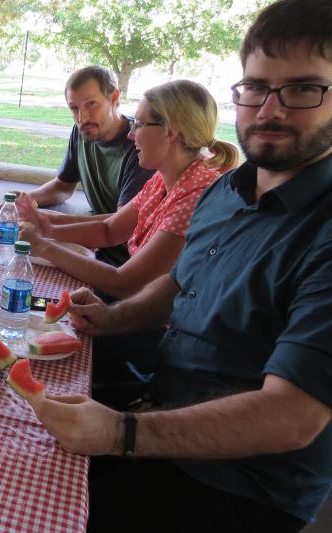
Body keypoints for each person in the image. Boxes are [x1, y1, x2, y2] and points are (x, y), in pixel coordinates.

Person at [28, 1, 332, 531]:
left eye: (304, 90)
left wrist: (121, 433)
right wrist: (115, 317)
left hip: (238, 484)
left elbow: (292, 417)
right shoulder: (228, 191)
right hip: (159, 402)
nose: (270, 110)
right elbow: (178, 281)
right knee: (11, 431)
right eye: (256, 87)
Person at [20, 80, 238, 386]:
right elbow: (109, 230)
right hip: (141, 311)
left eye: (139, 124)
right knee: (33, 302)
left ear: (171, 131)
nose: (132, 134)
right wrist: (47, 225)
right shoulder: (167, 177)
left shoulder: (199, 195)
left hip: (172, 337)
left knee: (46, 342)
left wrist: (44, 245)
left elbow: (126, 284)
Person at [23, 65, 155, 267]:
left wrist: (47, 224)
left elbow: (118, 225)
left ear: (114, 98)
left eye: (91, 104)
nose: (82, 118)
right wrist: (26, 201)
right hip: (93, 247)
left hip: (124, 259)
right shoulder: (82, 132)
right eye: (74, 108)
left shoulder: (139, 147)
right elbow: (62, 187)